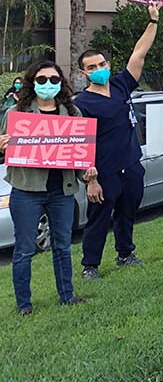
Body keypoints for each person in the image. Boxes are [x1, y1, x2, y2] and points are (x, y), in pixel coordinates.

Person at [0, 61, 98, 315]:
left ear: (61, 82)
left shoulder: (73, 113)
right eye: (42, 80)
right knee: (24, 249)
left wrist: (88, 172)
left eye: (53, 80)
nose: (48, 85)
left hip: (62, 191)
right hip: (26, 190)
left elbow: (80, 154)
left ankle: (67, 295)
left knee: (63, 246)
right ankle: (24, 305)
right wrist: (3, 146)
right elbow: (5, 152)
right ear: (33, 82)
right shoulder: (16, 115)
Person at [75, 3, 160, 280]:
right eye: (92, 67)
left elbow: (140, 52)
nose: (98, 69)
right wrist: (91, 179)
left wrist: (153, 21)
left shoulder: (122, 83)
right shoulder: (82, 103)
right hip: (104, 172)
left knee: (128, 212)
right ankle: (91, 266)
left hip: (131, 166)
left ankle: (125, 254)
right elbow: (80, 143)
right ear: (83, 73)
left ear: (108, 65)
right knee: (99, 218)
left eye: (101, 64)